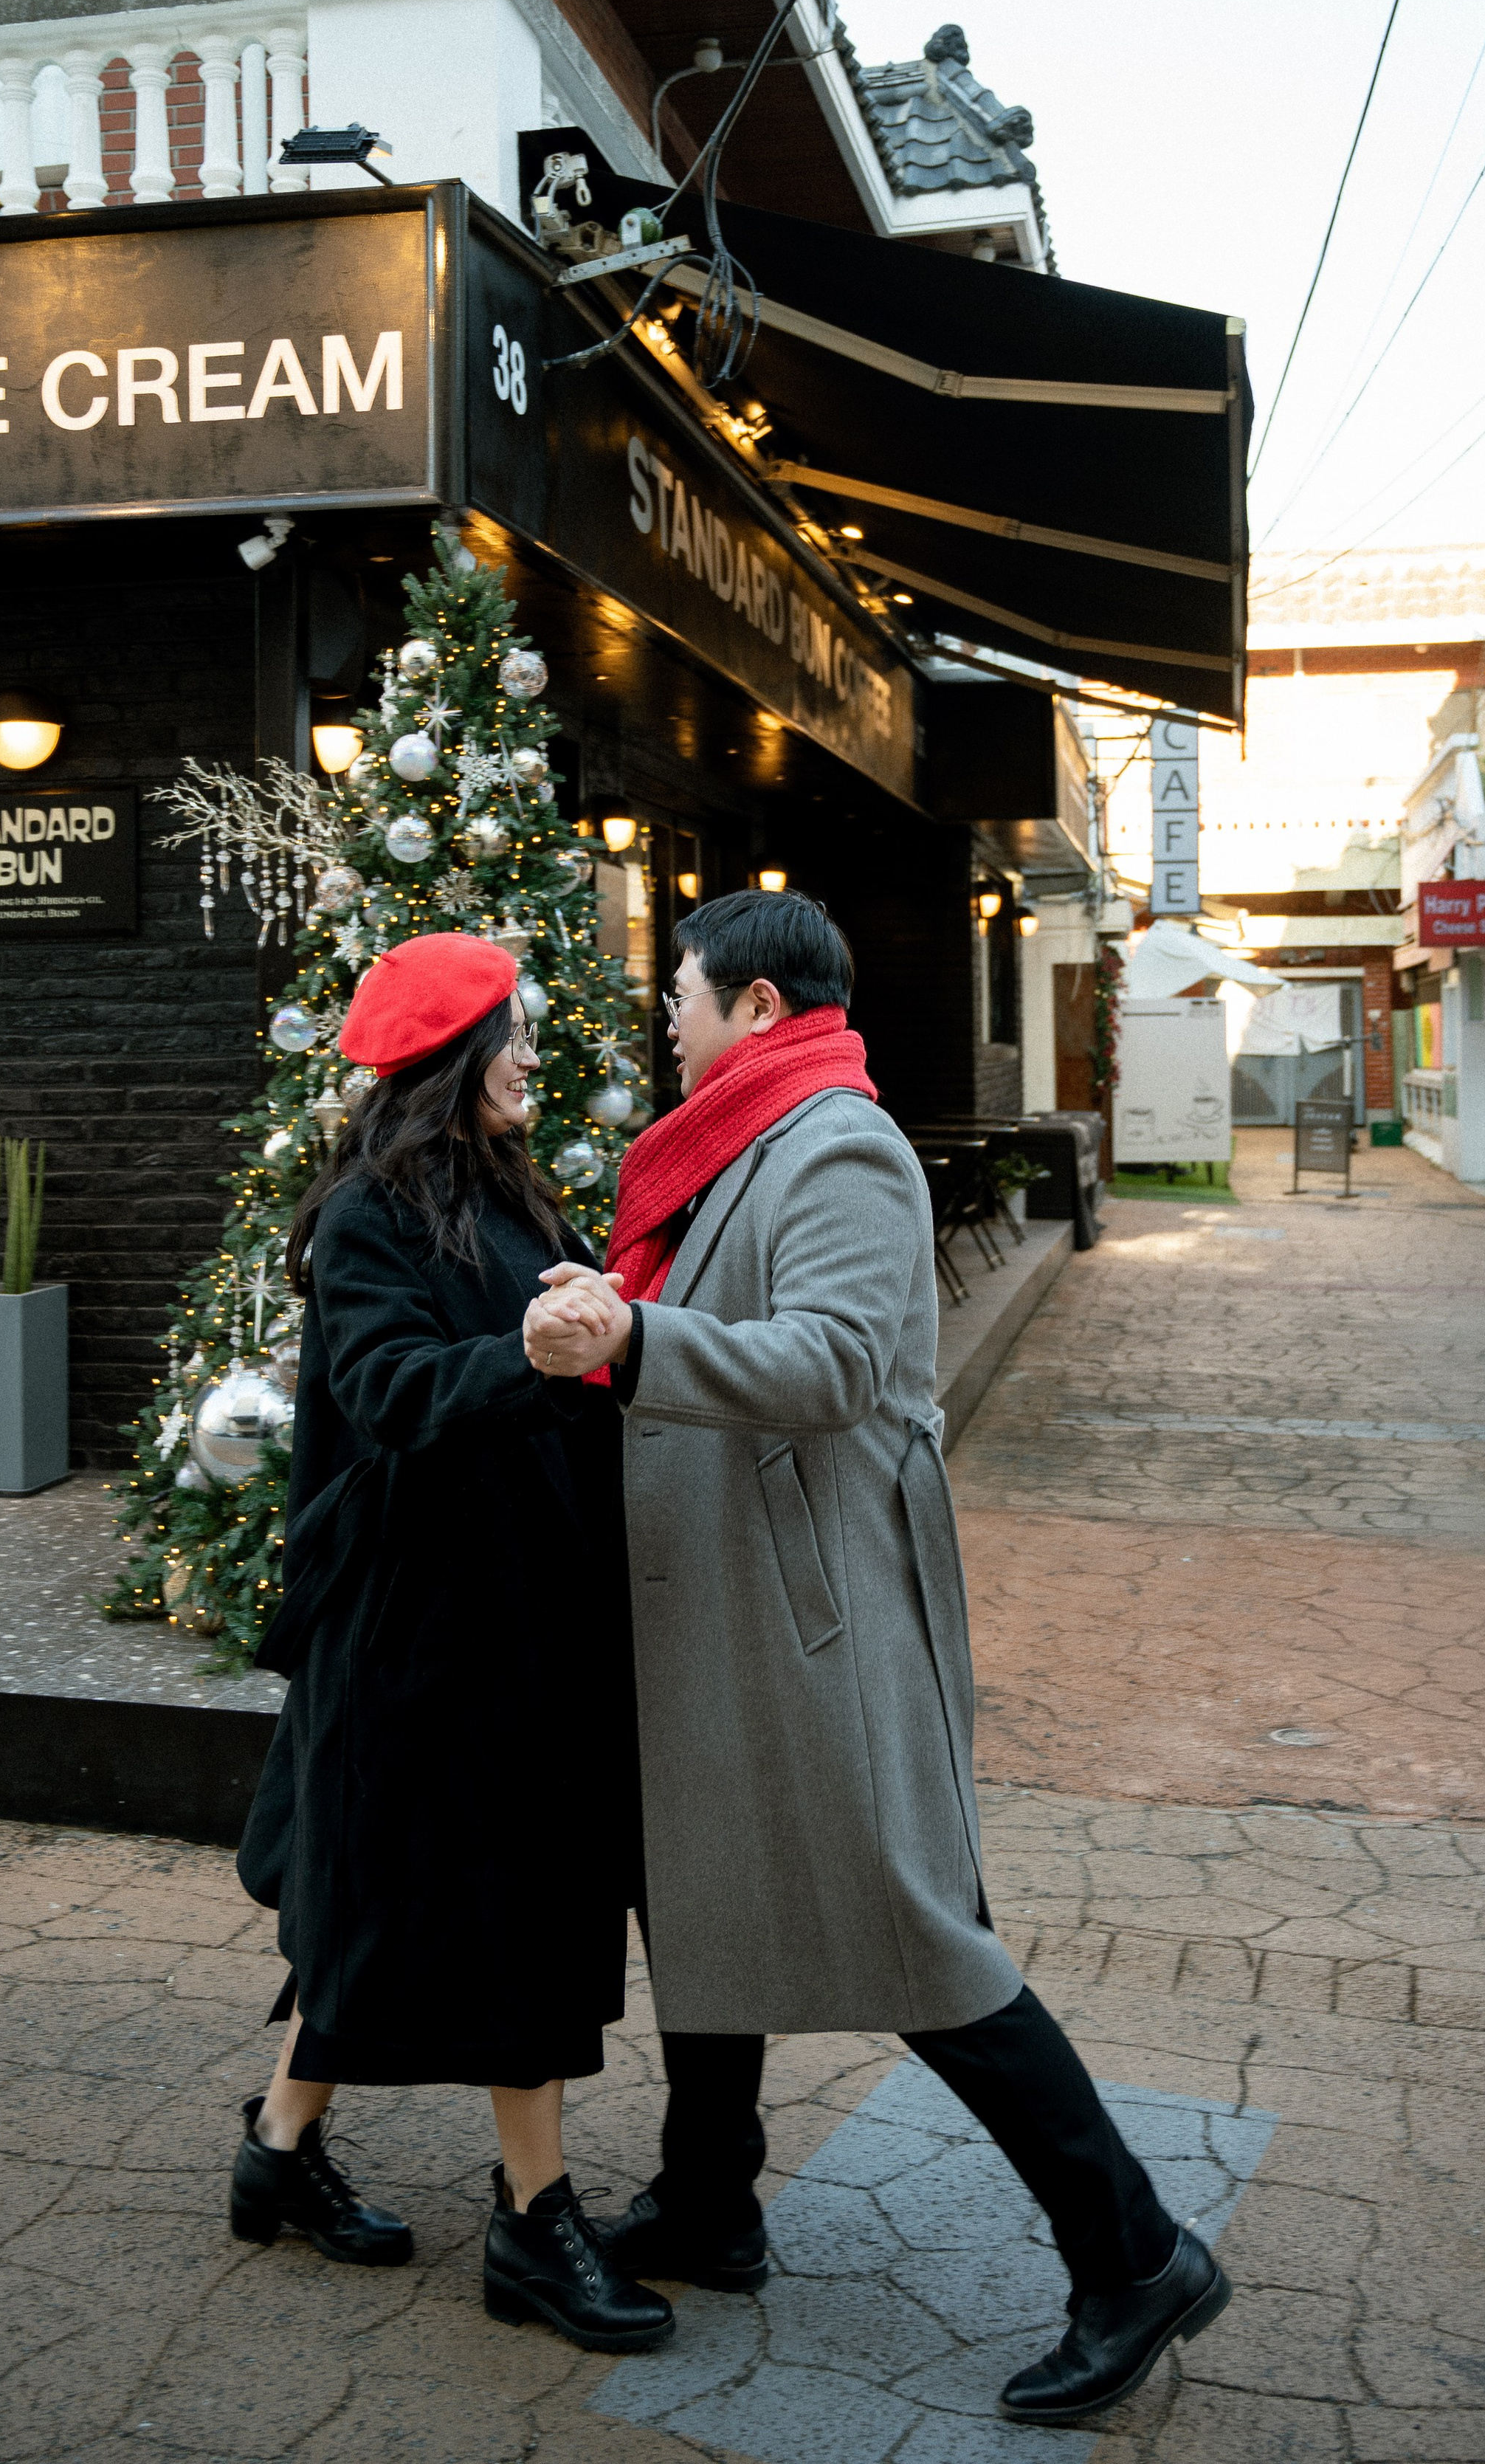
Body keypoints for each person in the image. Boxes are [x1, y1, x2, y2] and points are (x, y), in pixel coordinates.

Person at [523, 889, 1231, 2426]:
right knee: (706, 1874)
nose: (668, 1012)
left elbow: (839, 1361)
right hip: (736, 1602)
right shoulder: (742, 1137)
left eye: (686, 991)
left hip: (806, 1612)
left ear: (758, 1008)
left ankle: (1133, 2252)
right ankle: (710, 2200)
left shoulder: (831, 1139)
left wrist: (631, 1343)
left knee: (916, 1936)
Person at [230, 933, 672, 2354]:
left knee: (394, 1901)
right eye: (517, 1035)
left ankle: (280, 2152)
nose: (538, 1055)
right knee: (509, 1910)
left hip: (510, 1607)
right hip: (424, 1628)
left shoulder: (509, 1194)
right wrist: (535, 1356)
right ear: (452, 1062)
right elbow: (388, 1387)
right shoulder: (370, 1216)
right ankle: (535, 2223)